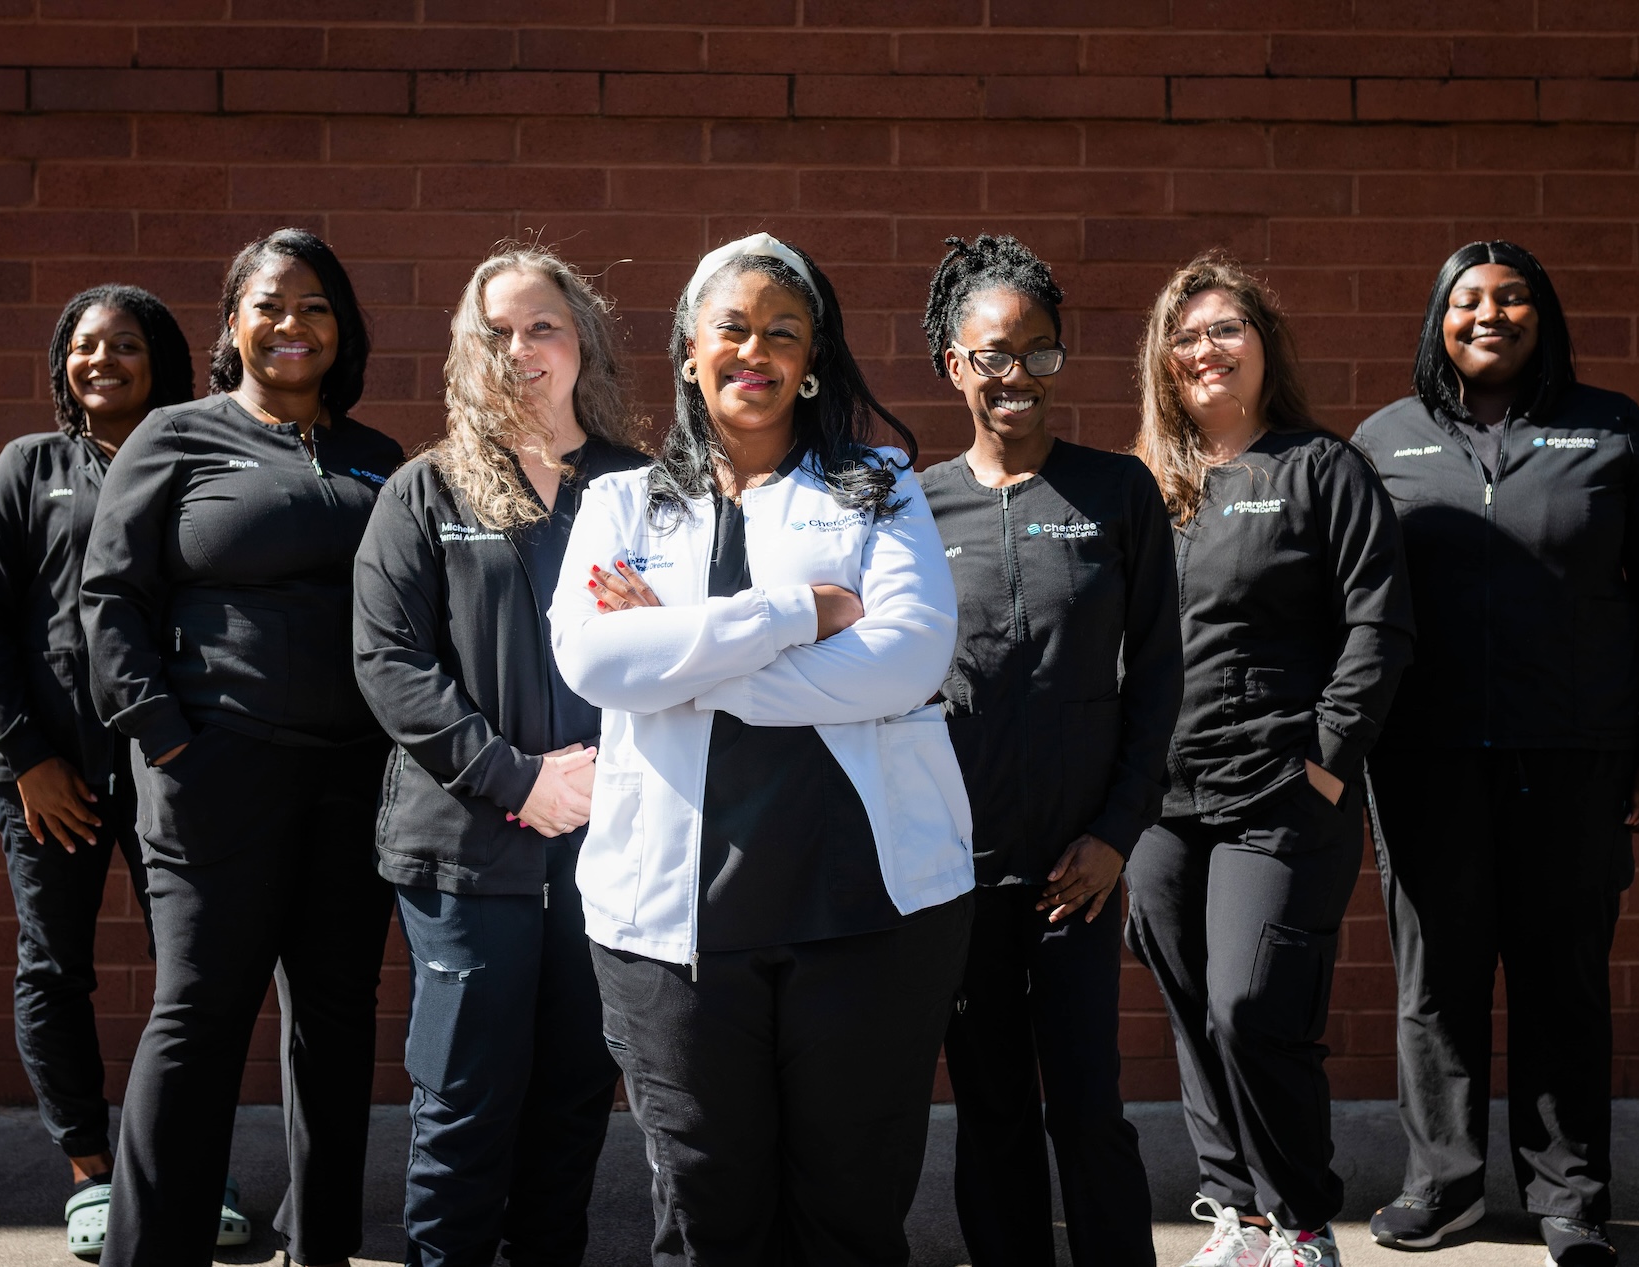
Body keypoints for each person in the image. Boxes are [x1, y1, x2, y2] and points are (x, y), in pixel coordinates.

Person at [549, 233, 973, 1265]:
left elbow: (903, 662)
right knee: (707, 1212)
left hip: (868, 908)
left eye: (783, 332)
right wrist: (799, 611)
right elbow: (597, 663)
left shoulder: (880, 487)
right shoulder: (619, 502)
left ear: (813, 359)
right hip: (676, 922)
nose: (755, 350)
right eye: (731, 328)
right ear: (690, 353)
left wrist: (683, 658)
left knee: (850, 1215)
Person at [1352, 241, 1639, 1267]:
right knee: (1435, 981)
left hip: (1574, 755)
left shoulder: (1612, 430)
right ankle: (1444, 1187)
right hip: (1422, 760)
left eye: (1512, 299)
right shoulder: (1385, 439)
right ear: (1438, 319)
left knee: (1562, 978)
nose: (1489, 315)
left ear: (1541, 315)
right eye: (1467, 300)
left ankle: (1570, 1200)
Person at [80, 228, 404, 1267]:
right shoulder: (174, 440)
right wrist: (169, 745)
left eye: (314, 307)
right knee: (198, 1018)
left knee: (336, 1025)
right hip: (212, 777)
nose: (291, 325)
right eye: (269, 304)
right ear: (233, 324)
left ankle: (322, 1251)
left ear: (341, 329)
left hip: (351, 783)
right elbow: (110, 601)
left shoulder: (377, 458)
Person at [351, 245, 647, 1266]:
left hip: (606, 846)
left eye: (542, 326)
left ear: (582, 343)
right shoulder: (425, 491)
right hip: (465, 848)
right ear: (467, 351)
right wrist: (517, 777)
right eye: (497, 330)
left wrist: (603, 774)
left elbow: (680, 645)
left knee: (572, 1095)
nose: (520, 348)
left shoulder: (639, 490)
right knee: (466, 1101)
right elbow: (389, 664)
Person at [1126, 253, 1415, 1267]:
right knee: (1192, 1012)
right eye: (1186, 333)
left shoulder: (1318, 469)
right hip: (1163, 802)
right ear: (1164, 360)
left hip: (1282, 796)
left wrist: (1328, 762)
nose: (1206, 348)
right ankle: (1234, 1218)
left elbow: (1378, 627)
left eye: (1226, 330)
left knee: (1253, 1008)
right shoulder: (1148, 487)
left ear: (1262, 348)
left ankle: (1297, 1223)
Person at [915, 234, 1183, 1267]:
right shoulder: (913, 506)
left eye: (1038, 352)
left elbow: (1157, 678)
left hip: (1080, 867)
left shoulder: (1119, 494)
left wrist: (1116, 834)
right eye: (993, 354)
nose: (1016, 375)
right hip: (960, 872)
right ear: (954, 363)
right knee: (988, 1111)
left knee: (1086, 1105)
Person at [0, 285, 226, 1260]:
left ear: (161, 360)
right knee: (55, 964)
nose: (100, 360)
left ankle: (182, 1163)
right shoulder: (30, 468)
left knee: (192, 970)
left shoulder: (194, 460)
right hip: (49, 774)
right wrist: (29, 758)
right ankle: (91, 1173)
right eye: (83, 345)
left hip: (167, 766)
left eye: (123, 345)